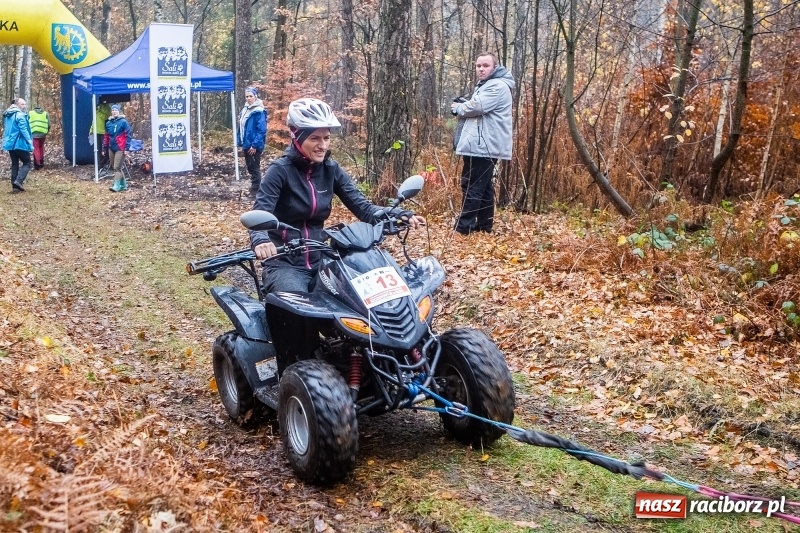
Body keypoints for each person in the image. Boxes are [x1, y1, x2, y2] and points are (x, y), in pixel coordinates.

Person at [250, 98, 424, 294]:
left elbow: (364, 208)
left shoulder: (331, 170)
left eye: (326, 138)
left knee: (361, 300)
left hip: (322, 258)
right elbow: (261, 212)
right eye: (314, 138)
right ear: (296, 136)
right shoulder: (279, 171)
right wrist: (261, 240)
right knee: (299, 306)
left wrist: (398, 214)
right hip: (284, 264)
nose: (323, 145)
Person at [451, 51, 514, 234]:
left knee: (472, 185)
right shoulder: (488, 85)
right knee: (484, 186)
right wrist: (466, 105)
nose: (481, 69)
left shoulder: (496, 86)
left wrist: (458, 107)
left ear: (495, 68)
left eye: (485, 66)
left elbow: (477, 107)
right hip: (484, 144)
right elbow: (478, 106)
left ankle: (463, 228)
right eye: (478, 66)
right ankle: (484, 226)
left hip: (483, 145)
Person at [238, 87, 267, 196]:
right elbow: (242, 127)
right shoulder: (246, 109)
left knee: (254, 168)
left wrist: (254, 145)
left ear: (255, 96)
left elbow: (261, 130)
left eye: (251, 96)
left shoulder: (259, 111)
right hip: (246, 143)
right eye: (247, 96)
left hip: (254, 145)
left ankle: (256, 191)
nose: (249, 98)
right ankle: (254, 189)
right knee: (250, 167)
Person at [2, 98, 33, 193]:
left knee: (15, 164)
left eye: (25, 104)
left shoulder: (8, 115)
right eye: (22, 104)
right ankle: (18, 181)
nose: (24, 106)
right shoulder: (20, 115)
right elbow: (23, 129)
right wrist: (29, 141)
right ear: (17, 104)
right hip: (19, 143)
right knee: (27, 162)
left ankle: (14, 187)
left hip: (10, 143)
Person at [102, 104, 132, 192]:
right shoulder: (108, 123)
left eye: (116, 110)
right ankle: (124, 185)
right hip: (111, 147)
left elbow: (128, 135)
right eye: (113, 110)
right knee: (114, 167)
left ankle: (116, 185)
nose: (114, 112)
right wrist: (104, 148)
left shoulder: (123, 122)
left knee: (117, 167)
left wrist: (127, 148)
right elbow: (106, 136)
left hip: (121, 148)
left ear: (119, 111)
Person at [90, 102, 112, 172]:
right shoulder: (97, 108)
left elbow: (106, 117)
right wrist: (91, 129)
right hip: (96, 132)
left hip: (103, 132)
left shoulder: (107, 107)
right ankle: (100, 165)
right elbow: (94, 120)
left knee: (105, 148)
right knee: (98, 149)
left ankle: (107, 163)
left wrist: (101, 109)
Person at [28, 104, 50, 170]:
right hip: (43, 134)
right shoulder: (45, 113)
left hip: (34, 133)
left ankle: (37, 164)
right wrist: (46, 131)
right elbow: (49, 124)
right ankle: (41, 162)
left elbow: (27, 123)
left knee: (36, 148)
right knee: (41, 147)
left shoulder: (30, 113)